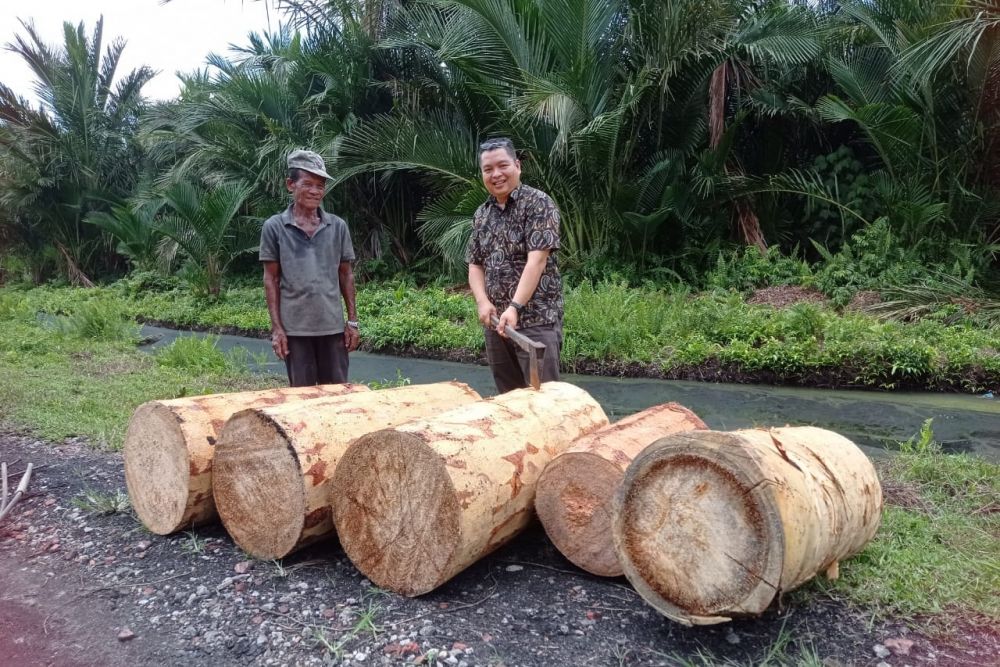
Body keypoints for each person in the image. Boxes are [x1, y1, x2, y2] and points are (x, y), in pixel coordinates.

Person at [465, 137, 563, 393]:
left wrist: (515, 307)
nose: (496, 174)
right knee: (508, 405)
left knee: (544, 402)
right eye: (488, 169)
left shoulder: (539, 204)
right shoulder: (482, 214)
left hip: (535, 324)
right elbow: (475, 264)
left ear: (517, 165)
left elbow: (537, 260)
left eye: (503, 165)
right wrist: (482, 302)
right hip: (497, 325)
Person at [259, 149, 359, 386]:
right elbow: (270, 280)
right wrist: (277, 330)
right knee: (301, 400)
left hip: (333, 329)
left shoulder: (337, 226)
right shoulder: (275, 227)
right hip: (295, 333)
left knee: (336, 397)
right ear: (290, 184)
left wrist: (352, 322)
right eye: (308, 184)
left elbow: (346, 275)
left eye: (320, 185)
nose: (315, 191)